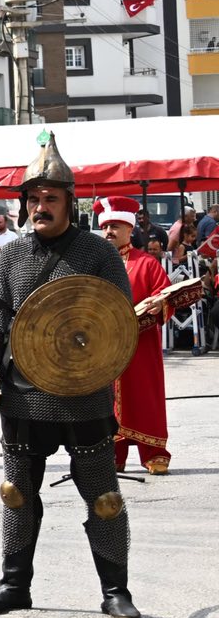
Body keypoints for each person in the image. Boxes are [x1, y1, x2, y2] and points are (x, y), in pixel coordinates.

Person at [0, 135, 140, 618]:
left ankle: (115, 591)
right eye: (34, 199)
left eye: (50, 198)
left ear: (69, 202)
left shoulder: (99, 255)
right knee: (17, 493)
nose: (40, 207)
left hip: (84, 394)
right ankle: (13, 586)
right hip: (22, 393)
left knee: (104, 497)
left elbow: (116, 321)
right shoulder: (11, 257)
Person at [95, 196, 194, 475]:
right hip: (106, 344)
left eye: (115, 226)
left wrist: (159, 304)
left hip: (141, 343)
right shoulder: (95, 263)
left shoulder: (147, 263)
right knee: (108, 398)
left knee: (144, 394)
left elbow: (166, 297)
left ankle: (154, 452)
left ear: (129, 229)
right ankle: (114, 453)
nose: (109, 232)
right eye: (106, 227)